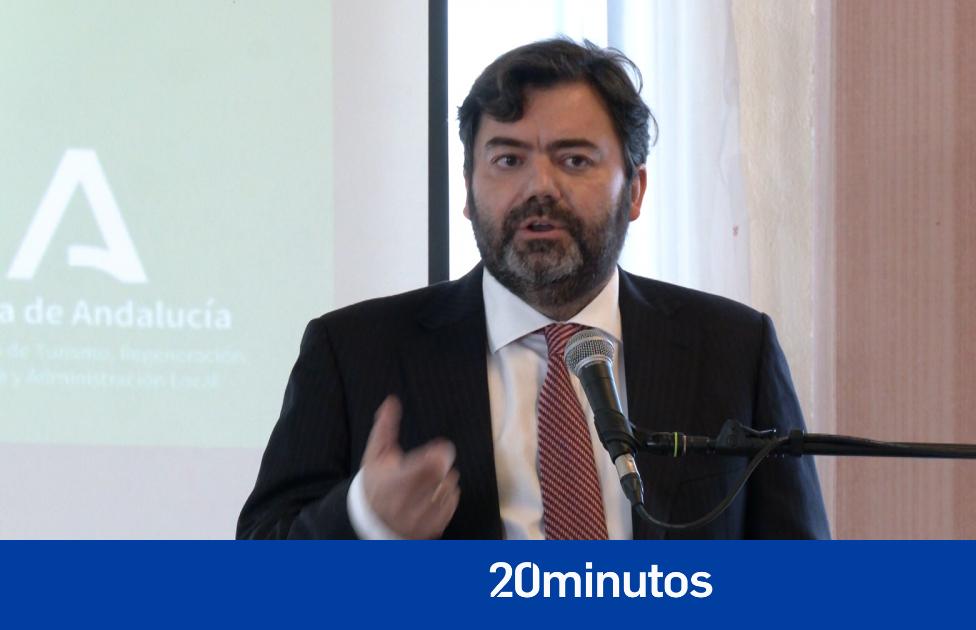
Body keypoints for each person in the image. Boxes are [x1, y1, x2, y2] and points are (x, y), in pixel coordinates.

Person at [237, 38, 830, 540]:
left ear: (635, 191)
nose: (538, 187)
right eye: (508, 160)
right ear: (468, 191)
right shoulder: (354, 351)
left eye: (574, 160)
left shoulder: (732, 347)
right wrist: (366, 519)